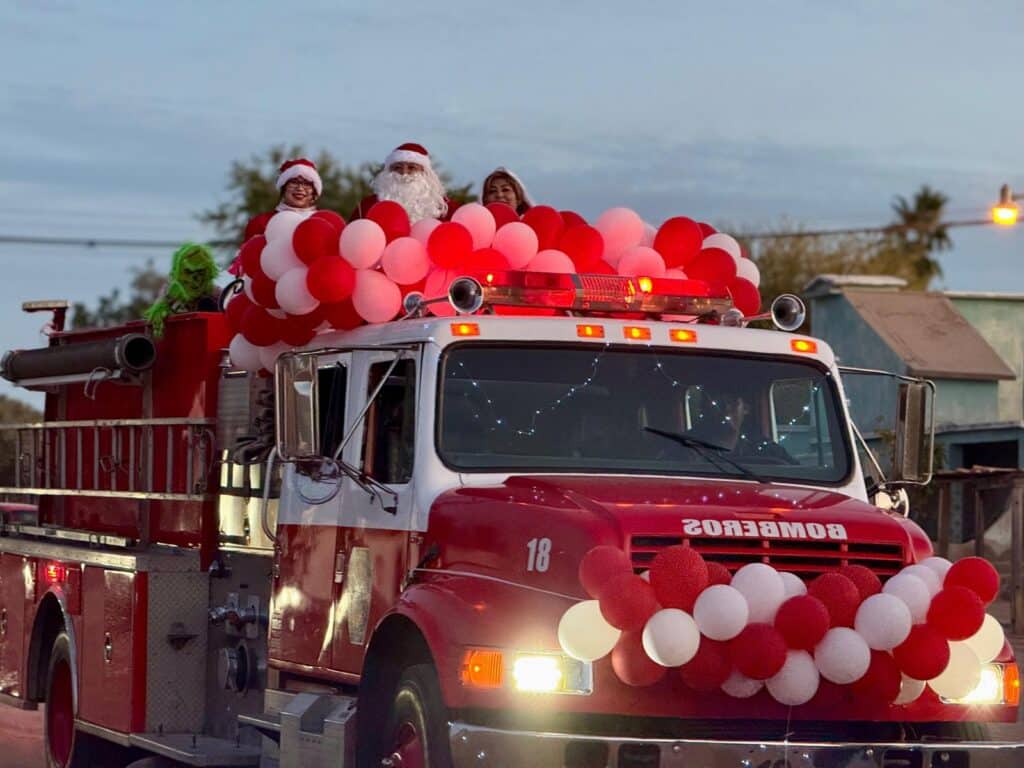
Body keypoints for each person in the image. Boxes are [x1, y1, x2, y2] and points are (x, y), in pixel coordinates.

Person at [229, 158, 324, 276]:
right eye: (294, 182)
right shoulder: (261, 222)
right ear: (283, 187)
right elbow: (244, 269)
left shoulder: (324, 223)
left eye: (307, 183)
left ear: (314, 191)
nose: (300, 188)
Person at [351, 142, 458, 223]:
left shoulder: (447, 209)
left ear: (425, 173)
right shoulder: (368, 206)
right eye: (397, 167)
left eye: (412, 168)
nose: (404, 173)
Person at [144, 242, 220, 337]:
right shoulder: (170, 294)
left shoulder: (213, 293)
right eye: (188, 272)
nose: (195, 279)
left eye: (200, 272)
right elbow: (150, 329)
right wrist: (167, 303)